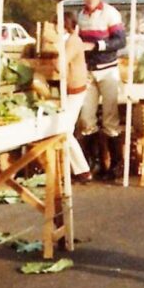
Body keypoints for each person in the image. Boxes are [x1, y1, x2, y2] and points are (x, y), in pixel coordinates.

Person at [76, 0, 127, 181]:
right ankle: (93, 162)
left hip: (108, 70)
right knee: (86, 118)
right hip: (89, 71)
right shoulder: (81, 15)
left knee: (110, 117)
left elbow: (120, 41)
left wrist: (97, 46)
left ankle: (115, 164)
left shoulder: (110, 14)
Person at [62, 13, 92, 183]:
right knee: (66, 130)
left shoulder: (73, 41)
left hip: (76, 89)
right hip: (71, 89)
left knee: (65, 131)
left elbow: (61, 63)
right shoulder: (71, 40)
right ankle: (77, 169)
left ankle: (83, 170)